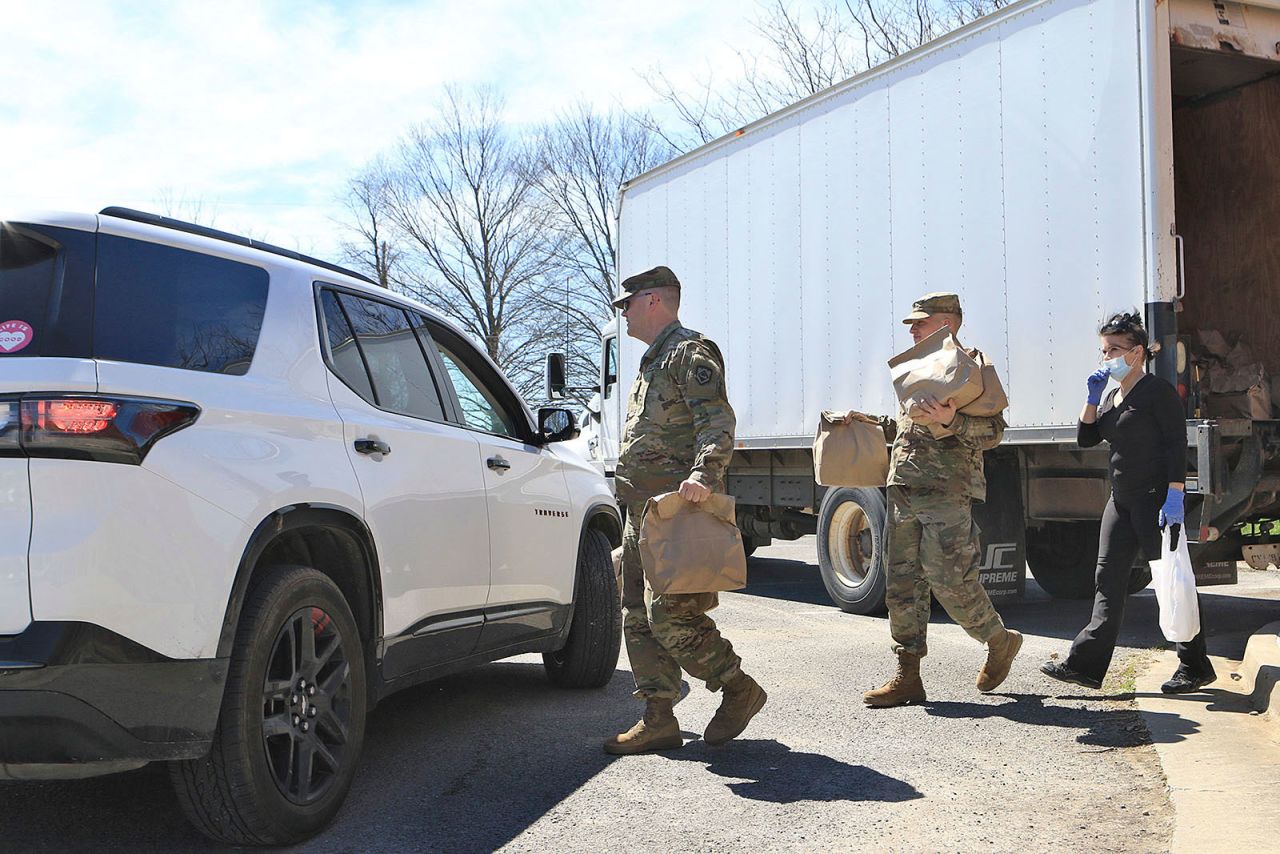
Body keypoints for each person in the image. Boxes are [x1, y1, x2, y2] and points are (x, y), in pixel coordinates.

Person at [604, 265, 767, 754]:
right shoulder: (652, 361)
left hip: (674, 509)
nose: (623, 314)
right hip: (640, 510)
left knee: (670, 615)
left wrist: (704, 473)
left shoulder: (688, 353)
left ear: (652, 301)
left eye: (627, 304)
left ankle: (738, 687)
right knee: (635, 613)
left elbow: (716, 421)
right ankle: (658, 718)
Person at [1041, 311, 1216, 694]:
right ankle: (1084, 665)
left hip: (1157, 501)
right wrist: (1090, 399)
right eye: (1104, 351)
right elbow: (1087, 438)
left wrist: (1174, 494)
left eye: (1115, 350)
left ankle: (1195, 664)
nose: (1107, 358)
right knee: (1107, 580)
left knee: (1171, 582)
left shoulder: (1158, 393)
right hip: (1120, 502)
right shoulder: (1111, 395)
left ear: (1137, 353)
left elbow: (1174, 446)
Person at [863, 292, 1022, 708]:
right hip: (905, 490)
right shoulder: (917, 370)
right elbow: (910, 430)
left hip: (948, 492)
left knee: (951, 582)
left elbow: (993, 433)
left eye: (921, 322)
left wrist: (951, 419)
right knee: (901, 585)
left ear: (947, 324)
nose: (912, 329)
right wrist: (871, 424)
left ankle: (999, 640)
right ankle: (907, 675)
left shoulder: (972, 367)